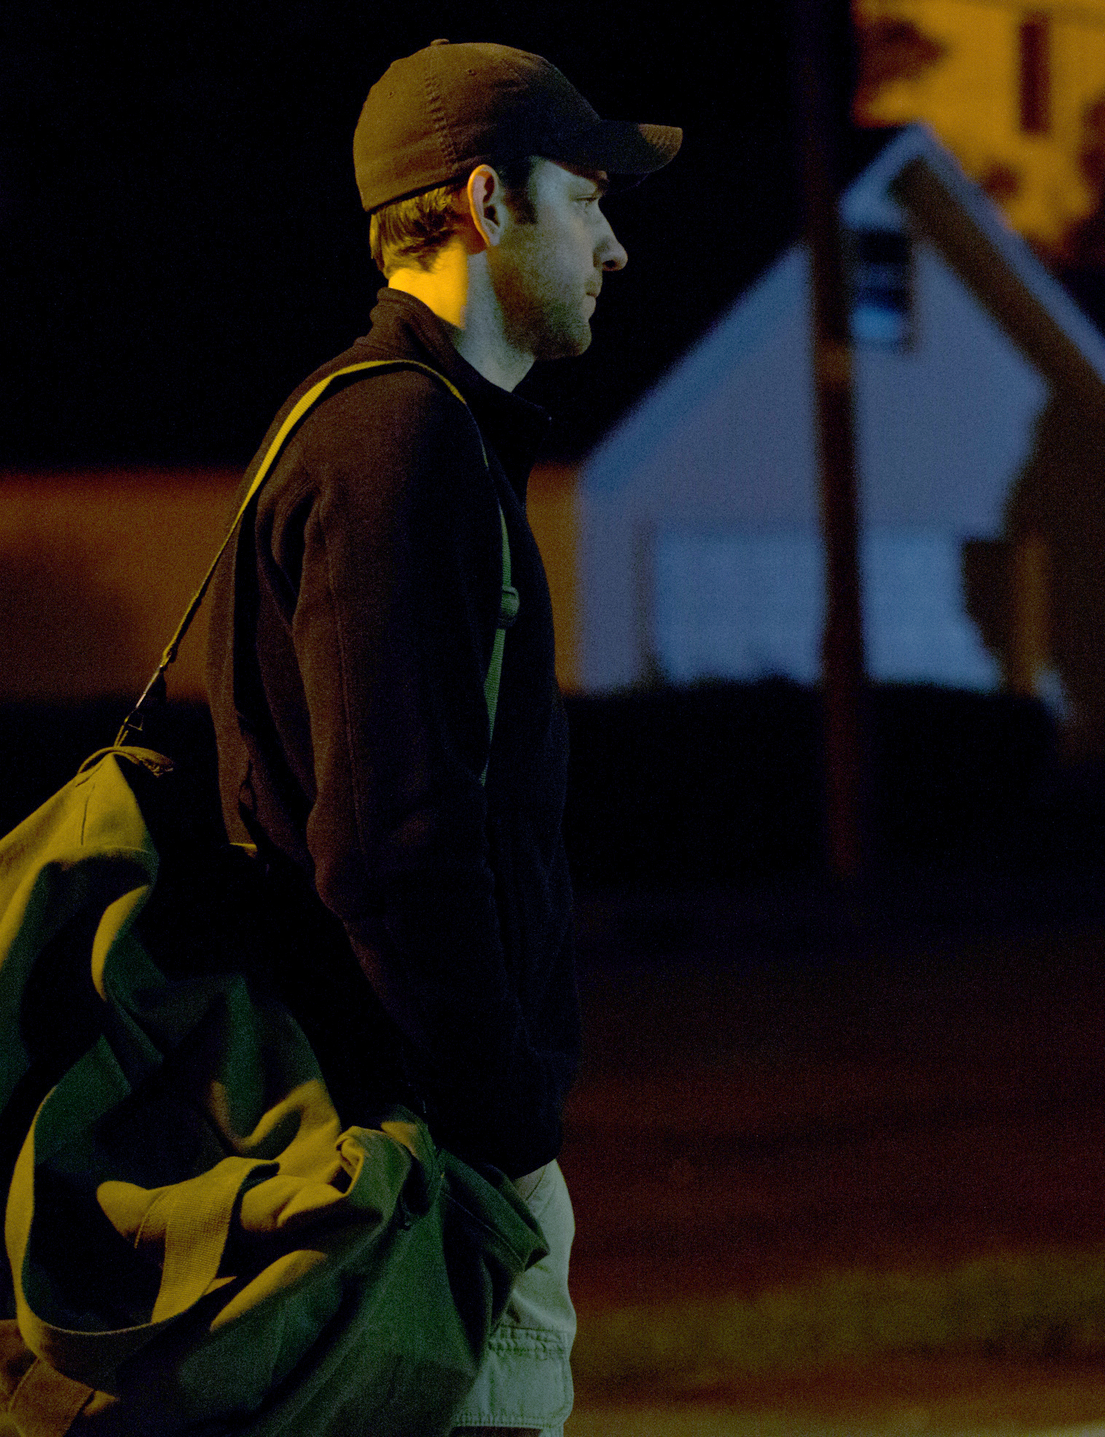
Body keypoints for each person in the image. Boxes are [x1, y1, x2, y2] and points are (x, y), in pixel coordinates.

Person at [206, 40, 678, 1437]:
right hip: (418, 1163)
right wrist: (502, 1141)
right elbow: (394, 851)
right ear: (487, 202)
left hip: (399, 1139)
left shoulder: (395, 433)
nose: (614, 248)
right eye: (587, 200)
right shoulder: (398, 451)